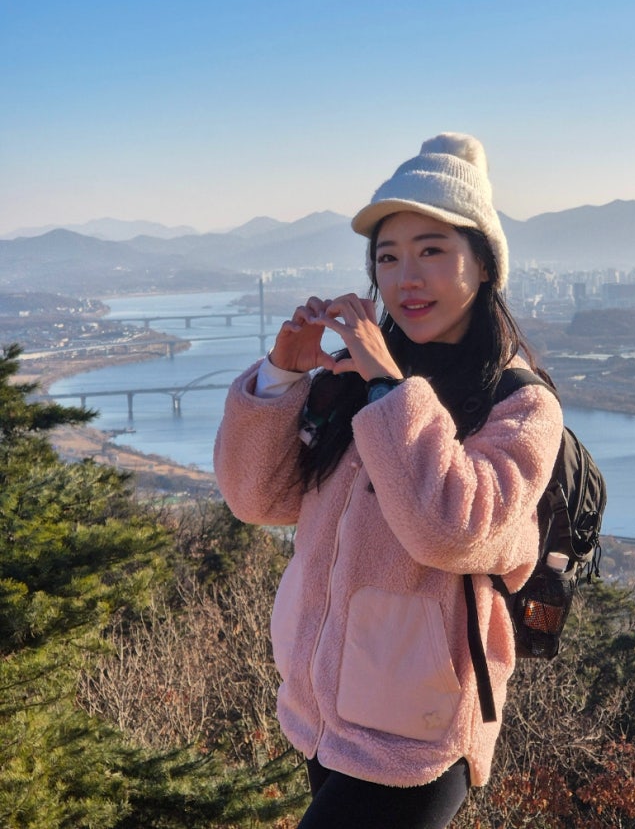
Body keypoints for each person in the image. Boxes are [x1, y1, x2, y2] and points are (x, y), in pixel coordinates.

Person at [213, 132, 563, 828]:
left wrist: (387, 386)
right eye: (388, 256)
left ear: (484, 265)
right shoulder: (355, 378)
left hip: (418, 734)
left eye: (432, 251)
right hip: (322, 713)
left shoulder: (519, 405)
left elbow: (450, 530)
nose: (406, 276)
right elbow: (255, 498)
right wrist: (283, 375)